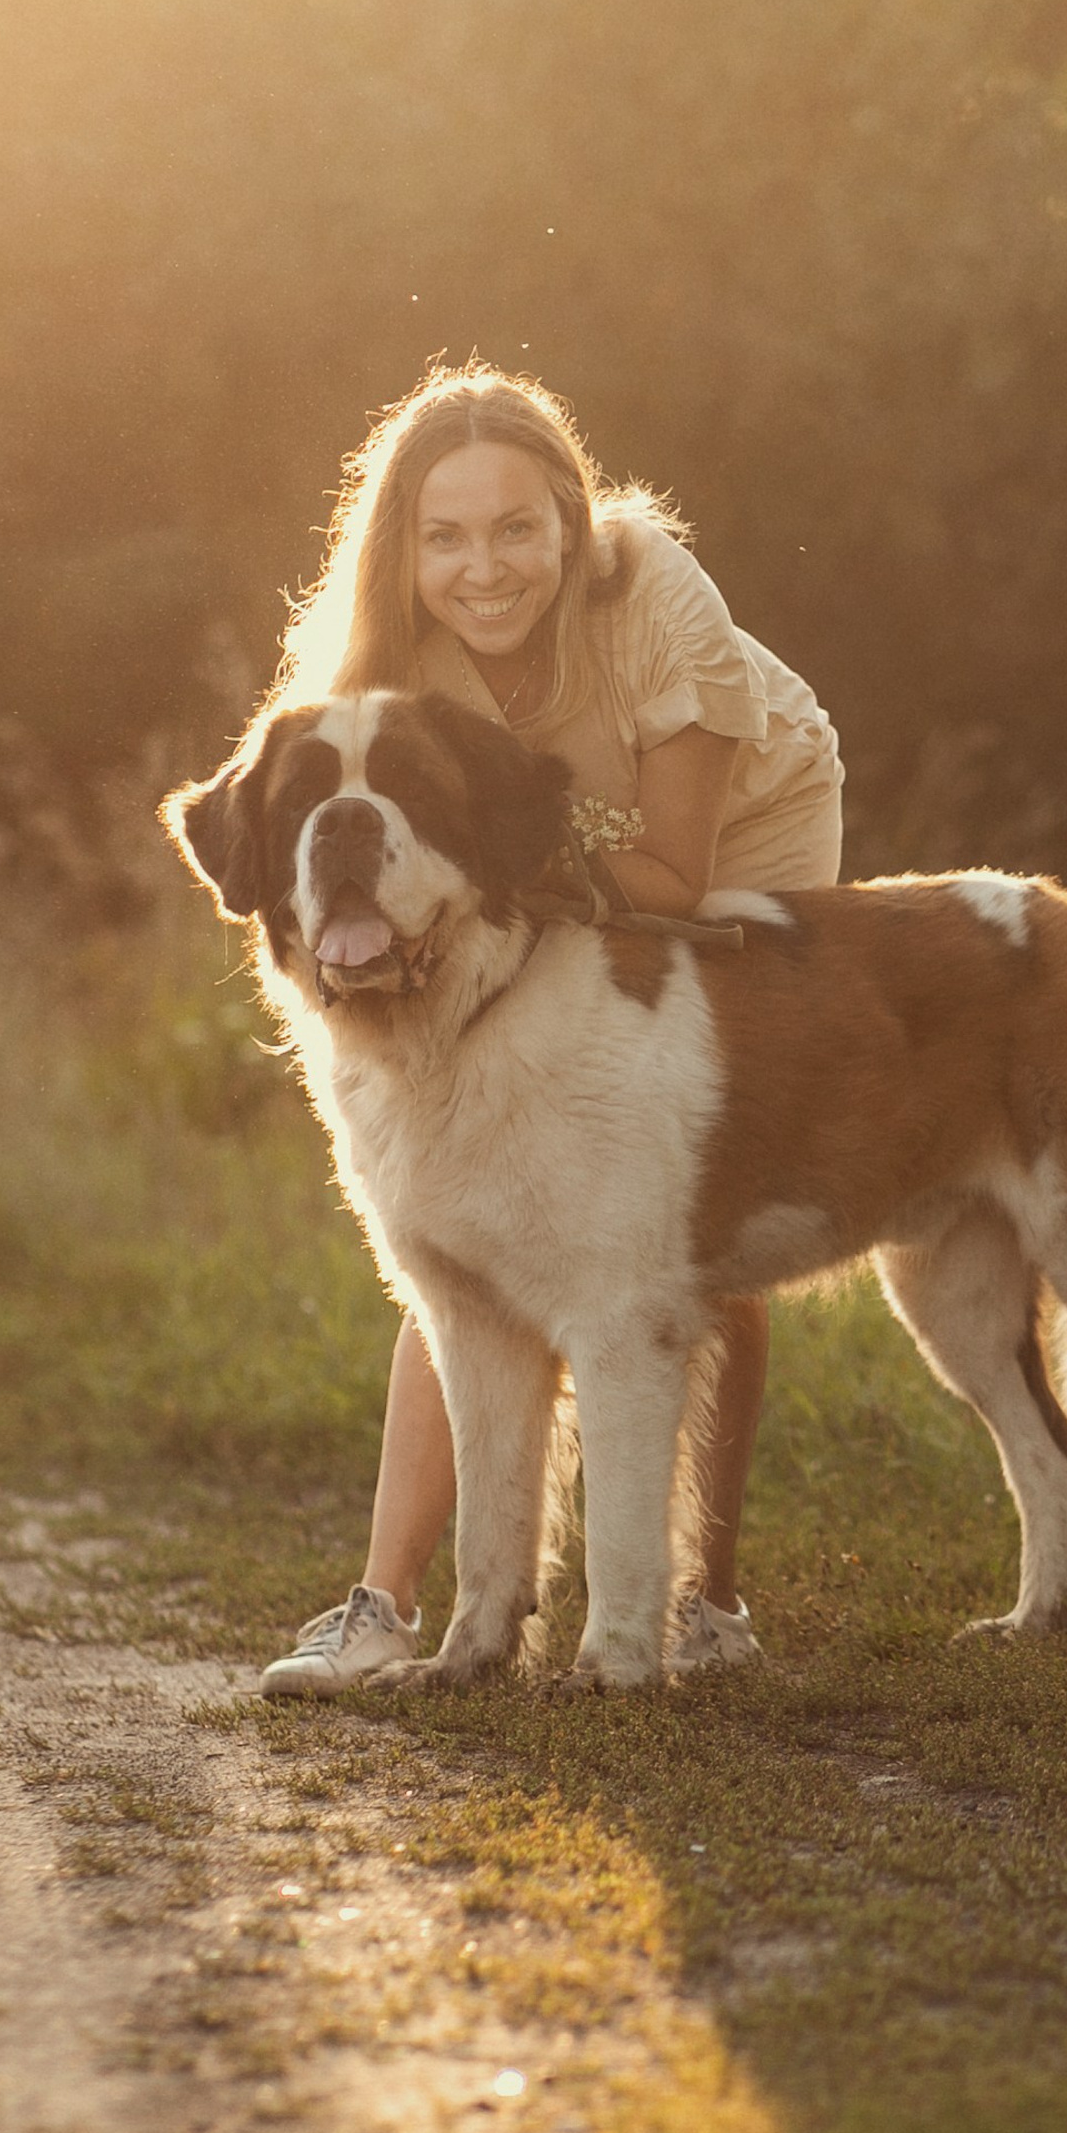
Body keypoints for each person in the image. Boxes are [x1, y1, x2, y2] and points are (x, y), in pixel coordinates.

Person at [254, 364, 844, 1695]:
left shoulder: (658, 596)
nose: (484, 568)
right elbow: (323, 835)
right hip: (529, 866)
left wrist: (485, 869)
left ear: (571, 526)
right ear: (403, 550)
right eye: (446, 537)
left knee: (691, 1192)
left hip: (729, 832)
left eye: (516, 528)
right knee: (464, 1204)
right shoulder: (388, 656)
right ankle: (386, 1604)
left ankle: (705, 1604)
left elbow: (672, 877)